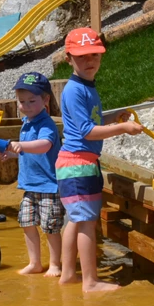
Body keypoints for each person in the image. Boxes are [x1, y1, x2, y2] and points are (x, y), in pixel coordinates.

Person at [56, 27, 142, 292]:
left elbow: (91, 122)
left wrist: (112, 120)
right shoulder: (75, 90)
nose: (89, 61)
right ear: (69, 58)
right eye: (82, 57)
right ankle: (90, 282)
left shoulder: (86, 87)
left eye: (94, 54)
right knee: (87, 223)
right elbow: (86, 131)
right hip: (78, 164)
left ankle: (69, 274)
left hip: (76, 164)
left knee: (75, 220)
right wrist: (123, 129)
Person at [0, 71, 63, 277]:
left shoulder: (46, 124)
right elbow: (29, 153)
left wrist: (19, 145)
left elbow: (44, 146)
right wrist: (12, 154)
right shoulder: (26, 122)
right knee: (27, 223)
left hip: (49, 185)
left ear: (45, 100)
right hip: (29, 185)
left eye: (31, 101)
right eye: (21, 101)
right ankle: (34, 262)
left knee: (50, 228)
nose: (25, 106)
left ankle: (55, 264)